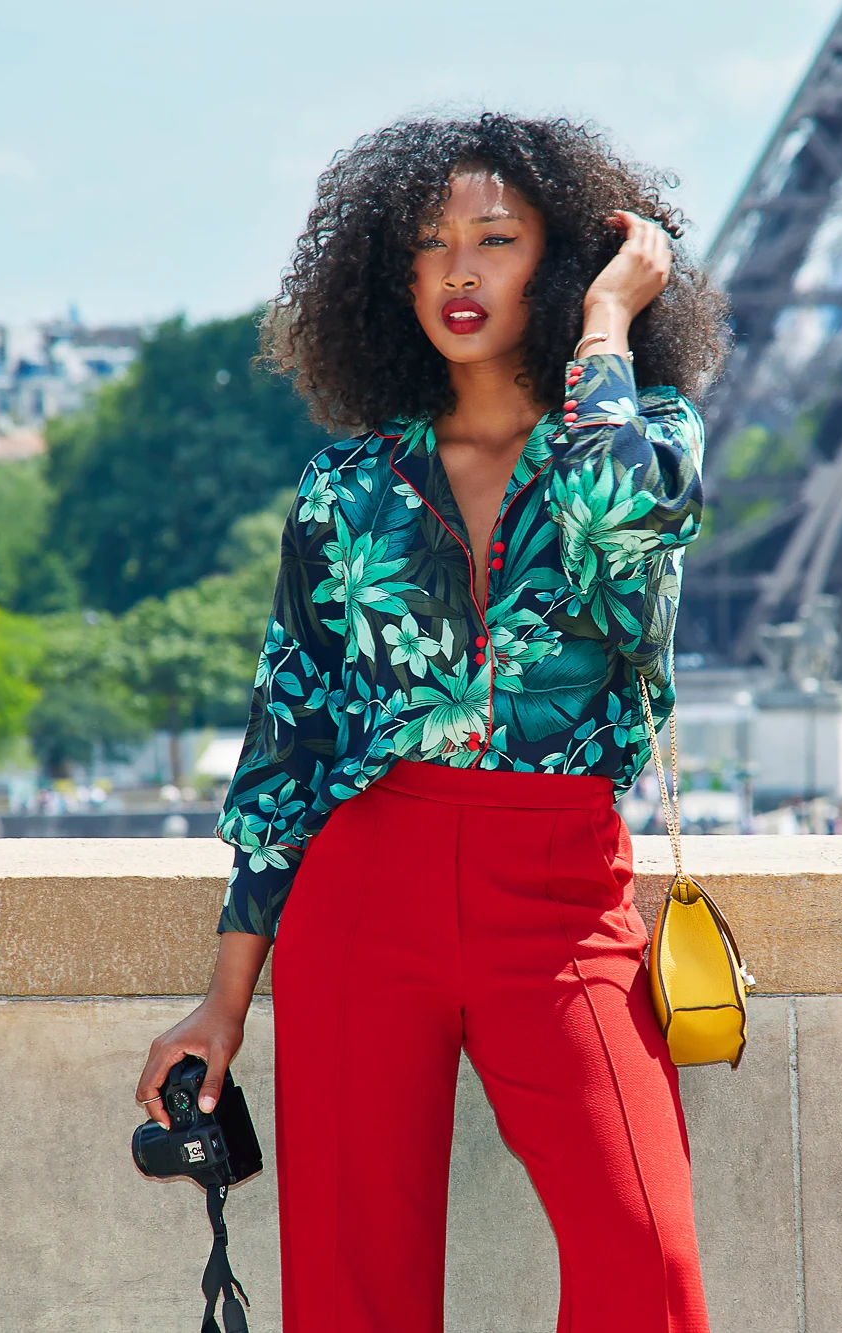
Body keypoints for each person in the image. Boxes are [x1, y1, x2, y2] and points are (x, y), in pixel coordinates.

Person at [136, 113, 728, 1332]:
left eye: (497, 241)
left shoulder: (640, 434)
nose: (458, 272)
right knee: (352, 1292)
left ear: (557, 262)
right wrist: (223, 1000)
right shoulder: (346, 485)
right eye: (428, 244)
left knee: (647, 1264)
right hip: (365, 888)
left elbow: (623, 513)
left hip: (560, 894)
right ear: (384, 273)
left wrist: (608, 322)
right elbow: (286, 741)